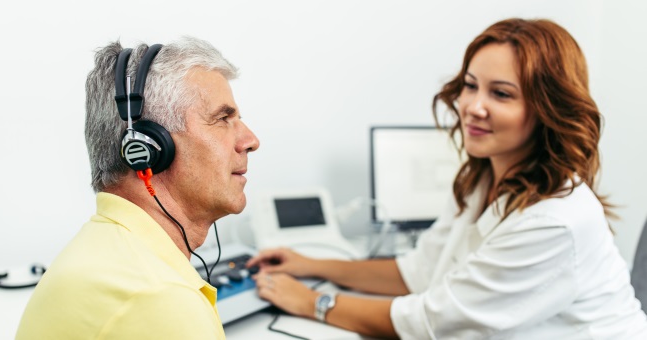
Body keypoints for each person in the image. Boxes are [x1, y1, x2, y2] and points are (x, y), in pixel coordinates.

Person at [246, 18, 647, 339]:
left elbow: (433, 323)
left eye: (501, 94)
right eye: (471, 86)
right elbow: (419, 271)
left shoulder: (556, 221)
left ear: (547, 108)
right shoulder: (481, 179)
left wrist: (312, 302)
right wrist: (312, 264)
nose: (473, 107)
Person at [16, 37, 259, 339]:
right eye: (223, 118)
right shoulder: (160, 299)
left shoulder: (103, 249)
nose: (251, 141)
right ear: (149, 147)